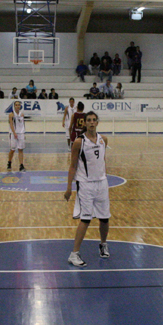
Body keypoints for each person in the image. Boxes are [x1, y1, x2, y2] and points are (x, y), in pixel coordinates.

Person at [64, 111, 111, 266]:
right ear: (84, 123)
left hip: (102, 183)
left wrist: (103, 176)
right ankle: (74, 254)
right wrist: (69, 187)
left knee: (105, 218)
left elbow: (102, 160)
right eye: (89, 120)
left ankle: (103, 245)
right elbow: (72, 166)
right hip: (85, 184)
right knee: (86, 219)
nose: (91, 122)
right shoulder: (79, 142)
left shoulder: (104, 139)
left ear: (97, 122)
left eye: (94, 120)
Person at [7, 100, 26, 172]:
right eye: (16, 105)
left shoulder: (22, 114)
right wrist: (14, 133)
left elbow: (23, 124)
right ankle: (9, 162)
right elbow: (11, 124)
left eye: (19, 105)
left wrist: (24, 133)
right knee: (12, 150)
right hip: (13, 134)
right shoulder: (11, 114)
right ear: (14, 106)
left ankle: (21, 165)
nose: (18, 106)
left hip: (21, 133)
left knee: (21, 149)